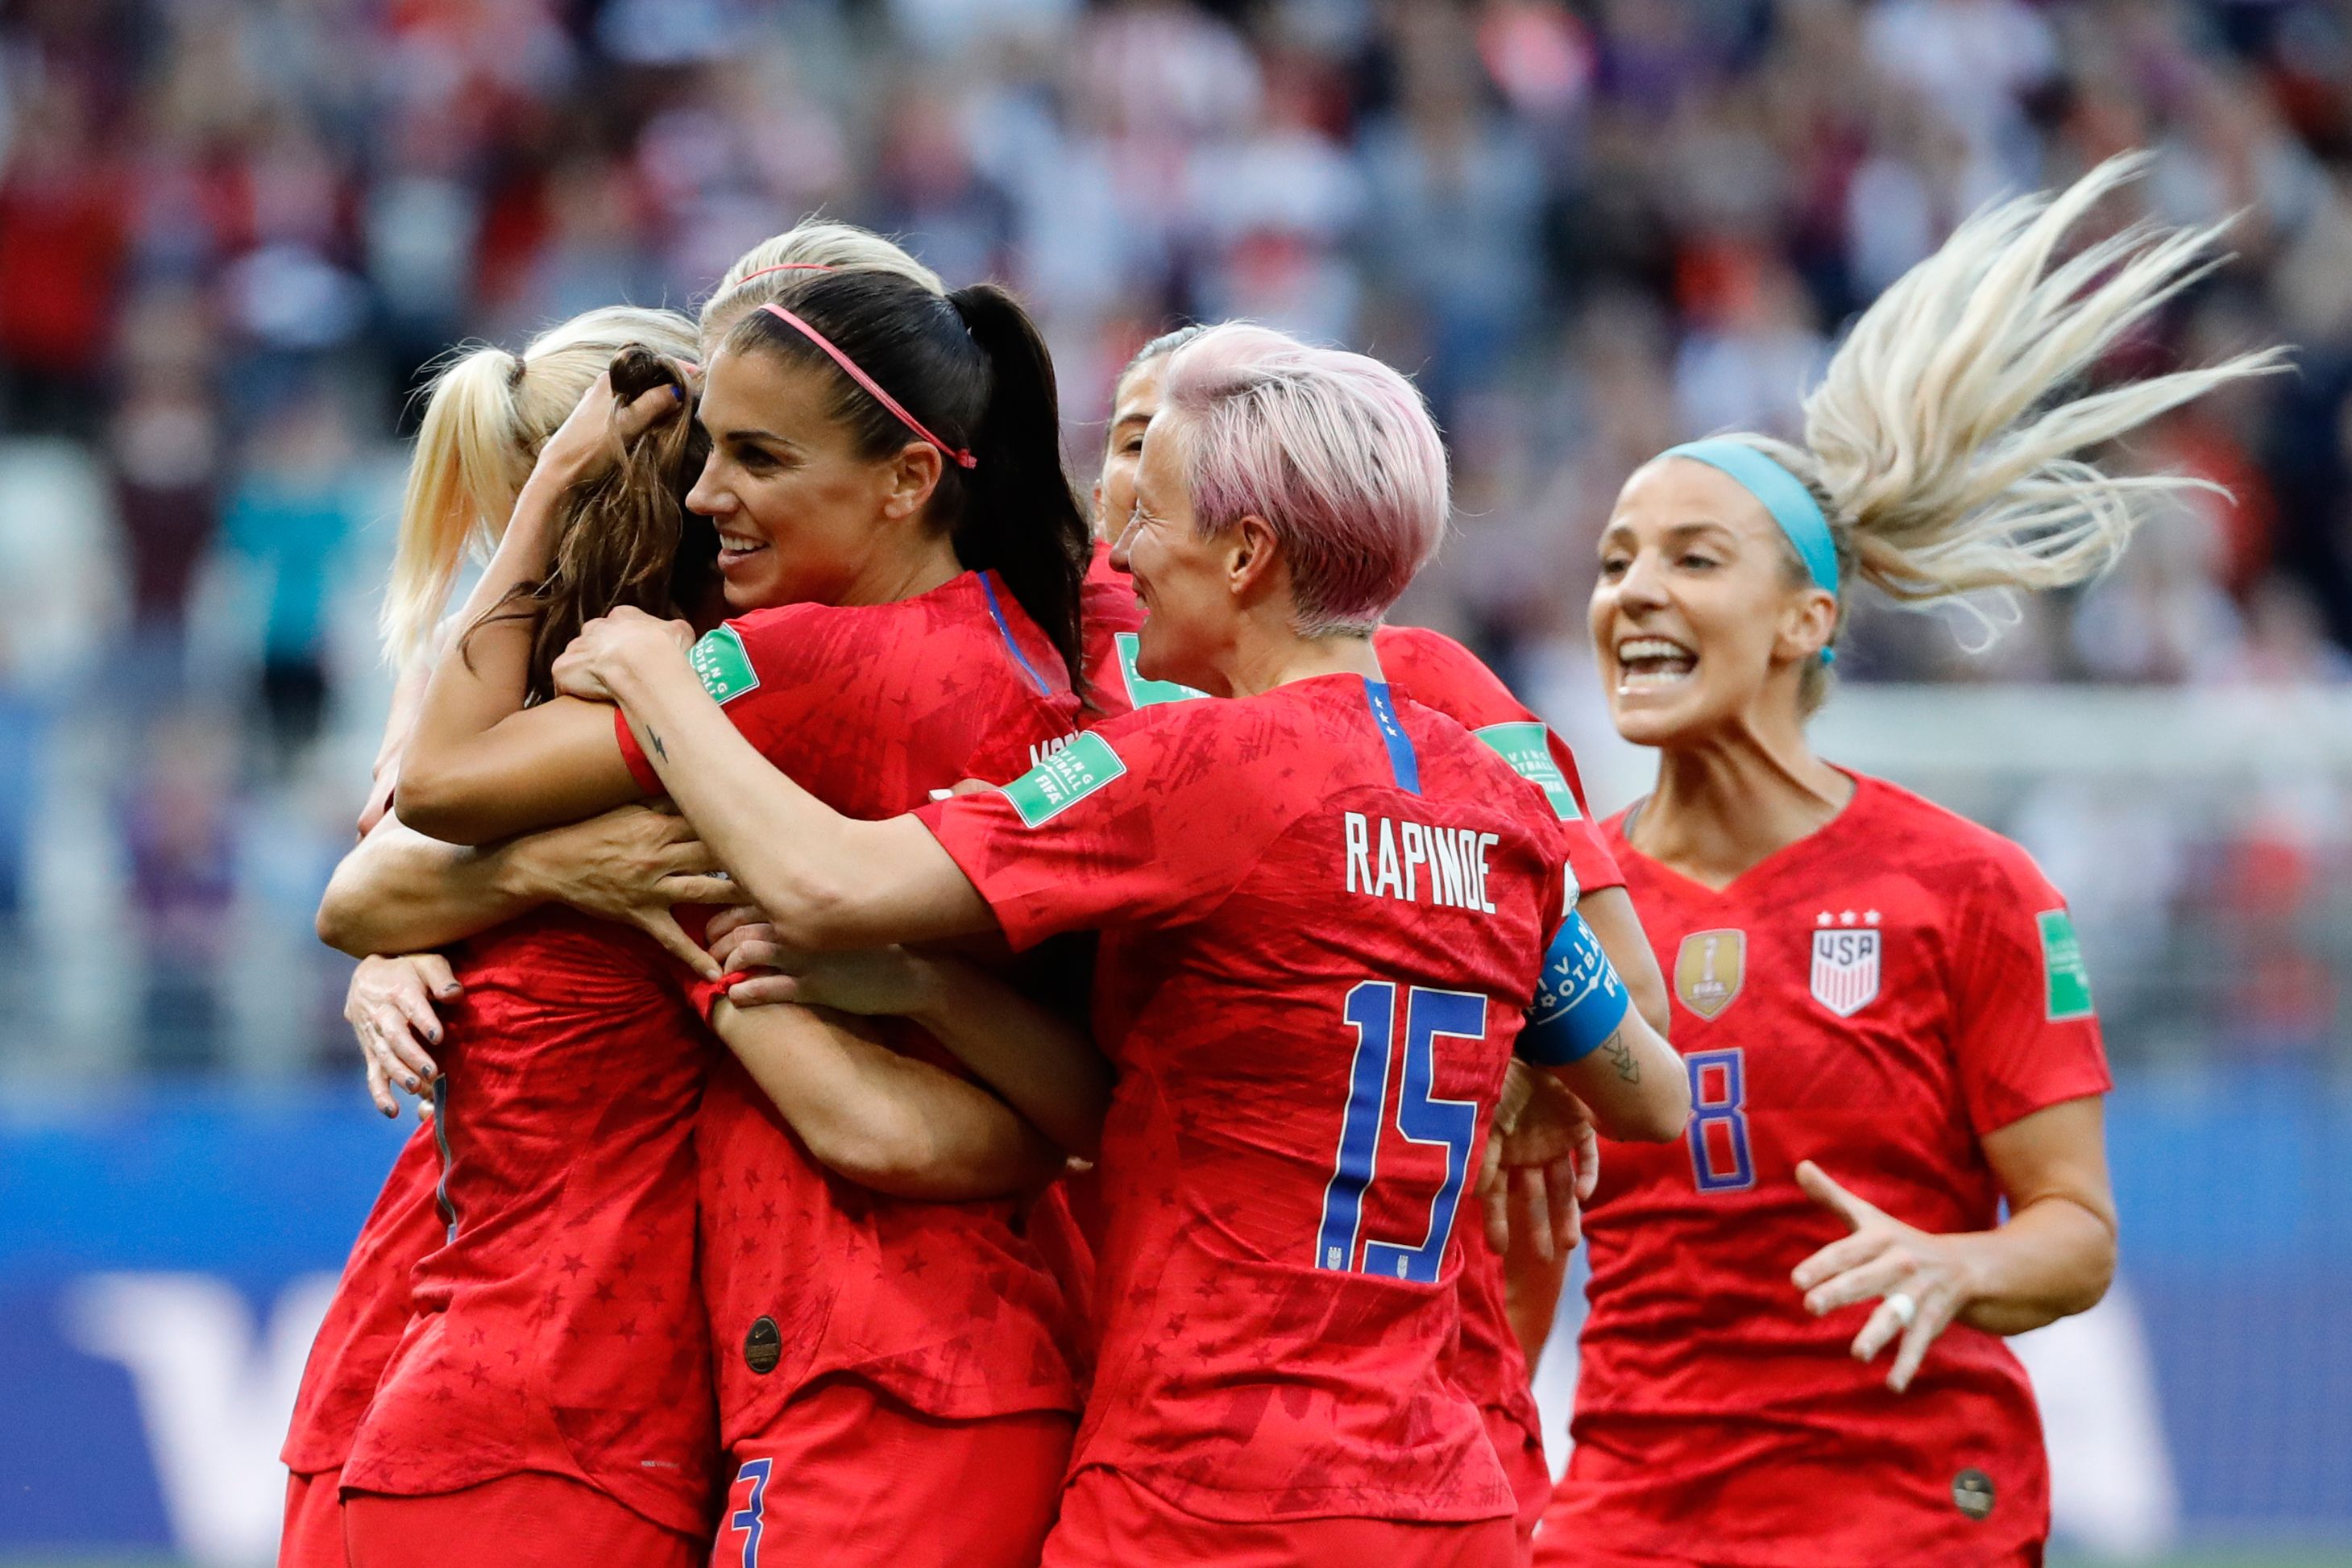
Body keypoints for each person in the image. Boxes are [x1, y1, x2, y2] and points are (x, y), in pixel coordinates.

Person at [554, 323, 1690, 1566]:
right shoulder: (1499, 803)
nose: (1124, 550)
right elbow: (1652, 1094)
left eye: (1153, 516)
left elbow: (822, 885)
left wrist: (659, 678)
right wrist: (1532, 1076)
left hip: (1210, 1490)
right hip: (1438, 1493)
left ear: (1247, 552)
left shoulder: (1196, 768)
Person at [1535, 151, 2285, 1568]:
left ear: (1808, 620)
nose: (1632, 589)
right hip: (1624, 1522)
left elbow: (2075, 1231)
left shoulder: (1969, 889)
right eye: (1615, 558)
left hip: (1904, 1518)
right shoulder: (1561, 892)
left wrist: (1960, 1262)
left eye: (1694, 558)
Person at [369, 265, 1101, 1568]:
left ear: (910, 477)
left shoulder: (788, 662)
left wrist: (626, 643)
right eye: (708, 455)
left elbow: (434, 789)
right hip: (986, 1359)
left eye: (759, 456)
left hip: (857, 1377)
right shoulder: (1037, 654)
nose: (712, 498)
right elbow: (1081, 1105)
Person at [1081, 321, 1673, 1558]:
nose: (1131, 485)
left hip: (1368, 1396)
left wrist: (1531, 1057)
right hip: (1114, 1352)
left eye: (1164, 451)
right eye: (1124, 442)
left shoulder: (1428, 691)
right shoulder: (1068, 672)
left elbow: (1634, 1027)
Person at [280, 303, 711, 1568]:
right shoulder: (625, 692)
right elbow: (364, 895)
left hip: (472, 1331)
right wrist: (562, 871)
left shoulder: (478, 689)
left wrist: (434, 912)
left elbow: (371, 890)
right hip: (529, 1363)